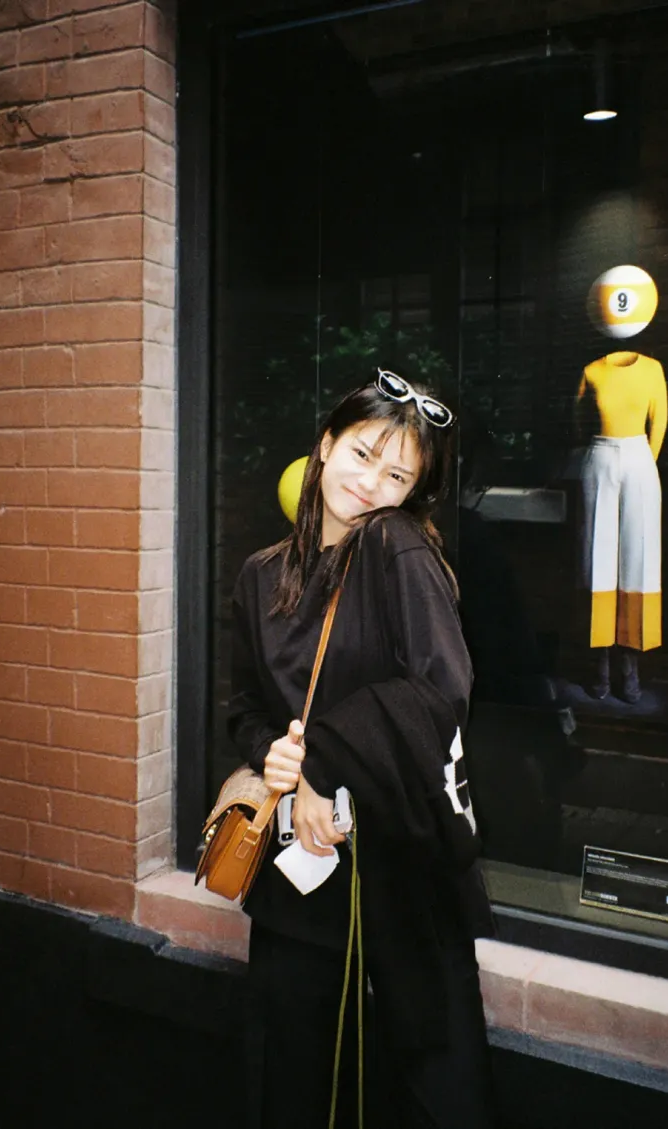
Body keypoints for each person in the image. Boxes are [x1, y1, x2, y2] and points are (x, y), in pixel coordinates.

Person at [228, 369, 497, 1129]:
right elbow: (245, 709)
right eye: (361, 454)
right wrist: (276, 759)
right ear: (324, 445)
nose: (372, 483)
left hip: (399, 861)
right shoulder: (260, 576)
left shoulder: (395, 546)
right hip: (301, 869)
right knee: (294, 1073)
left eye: (398, 475)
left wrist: (320, 764)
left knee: (436, 1080)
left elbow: (441, 690)